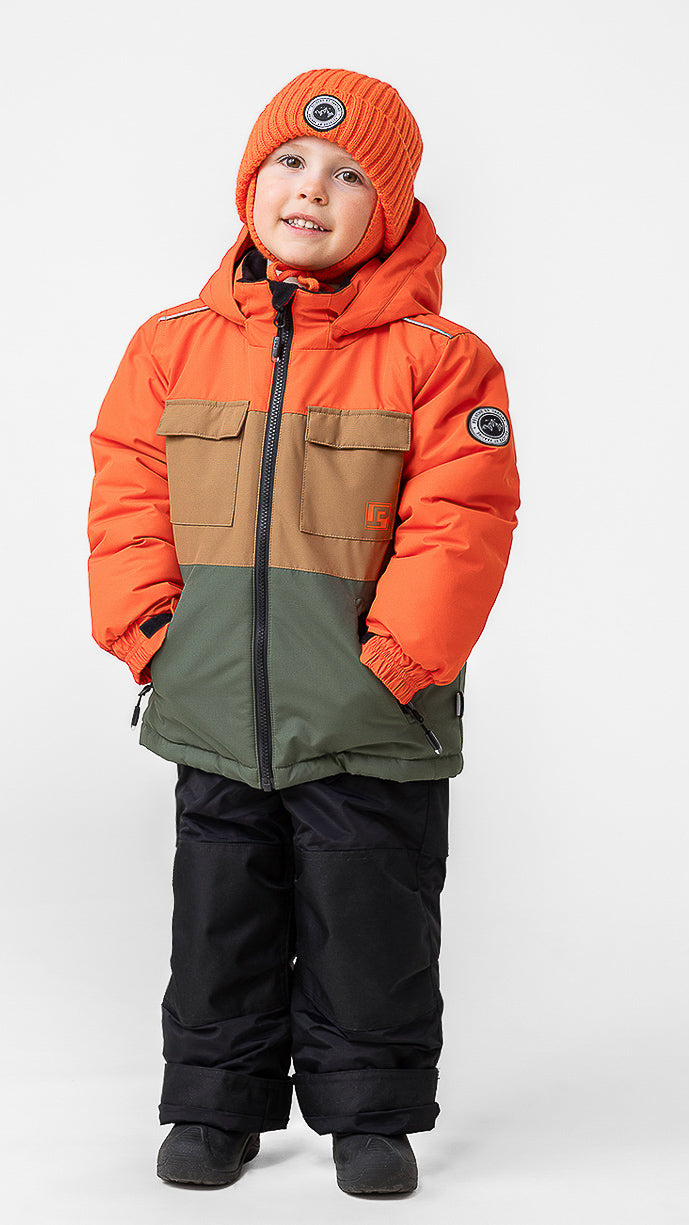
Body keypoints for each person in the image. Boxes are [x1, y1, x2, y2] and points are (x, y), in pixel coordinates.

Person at [87, 67, 520, 1196]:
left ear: (392, 209)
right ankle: (213, 1104)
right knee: (219, 912)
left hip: (370, 711)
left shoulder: (438, 358)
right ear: (251, 181)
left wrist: (395, 664)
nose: (310, 188)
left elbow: (463, 521)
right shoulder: (171, 345)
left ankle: (369, 1114)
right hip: (212, 697)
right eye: (289, 161)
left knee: (369, 914)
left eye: (347, 174)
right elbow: (127, 493)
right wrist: (153, 633)